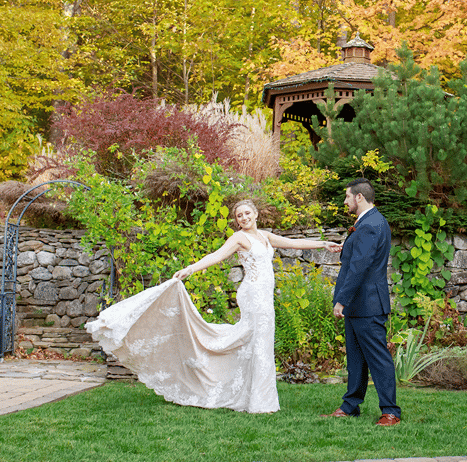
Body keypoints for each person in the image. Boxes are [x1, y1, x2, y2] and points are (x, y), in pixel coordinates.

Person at [86, 199, 341, 414]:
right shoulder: (239, 238)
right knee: (256, 341)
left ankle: (258, 398)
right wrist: (190, 269)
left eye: (247, 214)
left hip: (265, 296)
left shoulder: (264, 236)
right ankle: (256, 400)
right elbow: (217, 256)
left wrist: (323, 244)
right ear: (237, 220)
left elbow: (293, 243)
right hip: (253, 296)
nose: (243, 218)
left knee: (259, 343)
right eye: (239, 216)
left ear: (256, 214)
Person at [321, 178, 402, 426]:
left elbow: (359, 267)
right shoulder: (368, 222)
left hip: (368, 304)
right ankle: (350, 406)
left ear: (359, 197)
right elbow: (355, 258)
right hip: (359, 304)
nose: (345, 201)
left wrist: (341, 300)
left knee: (378, 358)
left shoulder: (371, 224)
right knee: (355, 359)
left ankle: (391, 412)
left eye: (347, 196)